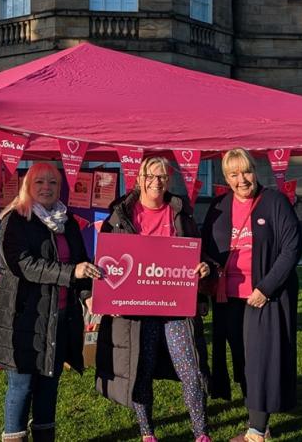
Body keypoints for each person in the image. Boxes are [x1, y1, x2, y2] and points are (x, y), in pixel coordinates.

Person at [94, 156, 213, 442]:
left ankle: (201, 433)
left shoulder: (180, 211)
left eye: (162, 176)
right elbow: (104, 261)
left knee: (191, 368)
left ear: (168, 179)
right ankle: (147, 432)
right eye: (150, 176)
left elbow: (198, 251)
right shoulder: (121, 214)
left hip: (176, 306)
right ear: (139, 178)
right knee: (141, 369)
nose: (156, 182)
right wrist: (104, 296)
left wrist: (204, 265)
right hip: (139, 310)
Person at [0, 163, 102, 442]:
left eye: (53, 182)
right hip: (24, 316)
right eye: (40, 182)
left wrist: (88, 295)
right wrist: (69, 273)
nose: (47, 188)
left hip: (60, 317)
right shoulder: (15, 219)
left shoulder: (68, 222)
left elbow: (80, 262)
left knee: (49, 384)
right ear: (28, 186)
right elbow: (21, 264)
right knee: (22, 385)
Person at [201, 148, 302, 442]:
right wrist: (205, 266)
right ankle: (257, 418)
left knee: (260, 359)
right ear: (226, 177)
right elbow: (206, 247)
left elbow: (291, 249)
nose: (241, 179)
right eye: (234, 174)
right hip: (228, 298)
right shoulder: (219, 205)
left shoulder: (275, 202)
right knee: (243, 359)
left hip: (263, 298)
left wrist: (266, 288)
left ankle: (257, 431)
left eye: (246, 171)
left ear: (255, 171)